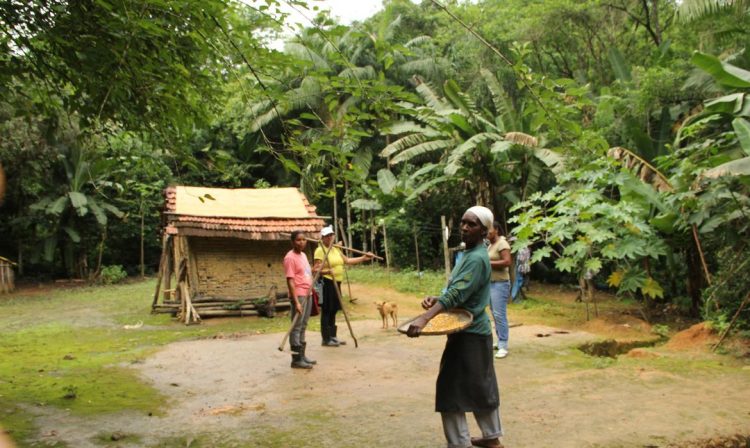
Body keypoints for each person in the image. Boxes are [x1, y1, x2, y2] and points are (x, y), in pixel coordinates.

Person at [407, 206, 505, 448]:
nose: (464, 227)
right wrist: (436, 297)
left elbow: (456, 295)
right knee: (481, 385)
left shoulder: (476, 258)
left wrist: (424, 318)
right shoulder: (470, 253)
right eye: (463, 222)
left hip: (470, 333)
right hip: (468, 331)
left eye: (471, 224)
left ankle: (461, 443)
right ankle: (491, 436)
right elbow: (454, 291)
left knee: (450, 391)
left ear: (484, 231)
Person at [313, 225, 374, 347]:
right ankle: (326, 338)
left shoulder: (335, 249)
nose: (330, 237)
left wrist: (363, 258)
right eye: (327, 236)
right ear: (323, 238)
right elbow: (316, 269)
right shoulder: (320, 250)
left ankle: (333, 336)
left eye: (331, 235)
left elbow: (347, 261)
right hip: (326, 282)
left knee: (334, 309)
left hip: (337, 282)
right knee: (327, 309)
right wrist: (326, 271)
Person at [283, 230, 316, 369]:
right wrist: (296, 301)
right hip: (299, 295)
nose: (302, 242)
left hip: (308, 293)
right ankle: (296, 359)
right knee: (296, 327)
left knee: (303, 325)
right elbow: (290, 281)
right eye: (298, 240)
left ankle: (302, 356)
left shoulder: (303, 255)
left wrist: (315, 269)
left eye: (304, 239)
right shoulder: (290, 258)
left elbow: (306, 273)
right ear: (292, 242)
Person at [487, 221, 512, 359]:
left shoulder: (502, 243)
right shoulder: (491, 245)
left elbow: (507, 262)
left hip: (500, 284)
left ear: (496, 230)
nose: (487, 233)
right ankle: (500, 340)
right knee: (495, 315)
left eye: (489, 230)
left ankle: (503, 345)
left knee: (499, 315)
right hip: (491, 284)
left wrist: (487, 262)